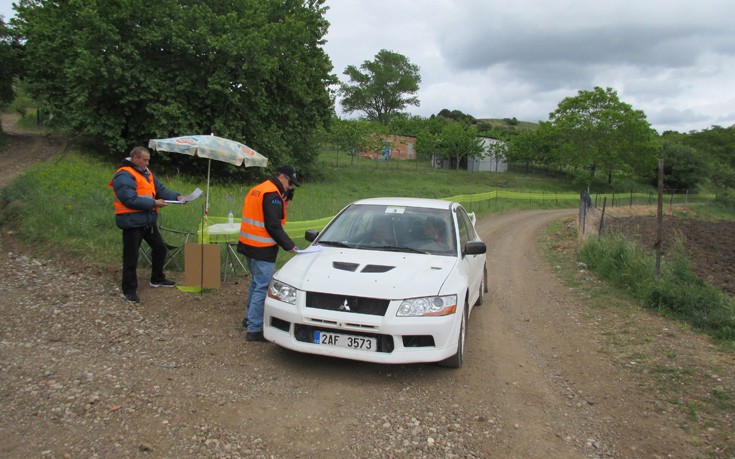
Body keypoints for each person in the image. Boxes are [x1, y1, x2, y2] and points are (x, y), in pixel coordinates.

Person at [110, 146, 183, 304]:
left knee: (160, 248)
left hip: (148, 221)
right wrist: (154, 203)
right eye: (144, 160)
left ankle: (157, 278)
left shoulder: (146, 172)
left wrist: (177, 197)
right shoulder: (123, 175)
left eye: (148, 160)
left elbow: (160, 189)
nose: (147, 162)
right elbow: (129, 199)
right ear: (135, 158)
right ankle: (129, 290)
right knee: (131, 257)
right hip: (132, 222)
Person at [238, 165, 300, 342]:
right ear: (282, 177)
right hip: (262, 248)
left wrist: (284, 203)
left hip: (248, 244)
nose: (289, 187)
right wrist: (290, 246)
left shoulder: (258, 189)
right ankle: (255, 329)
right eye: (289, 182)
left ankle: (249, 319)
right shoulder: (272, 194)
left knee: (255, 283)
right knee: (262, 287)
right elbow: (273, 225)